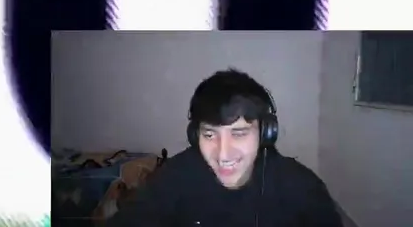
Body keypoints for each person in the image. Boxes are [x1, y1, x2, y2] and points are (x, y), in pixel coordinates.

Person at [107, 69, 342, 227]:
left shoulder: (302, 188)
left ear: (266, 133)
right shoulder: (175, 176)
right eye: (210, 134)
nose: (223, 154)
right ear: (195, 135)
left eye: (238, 134)